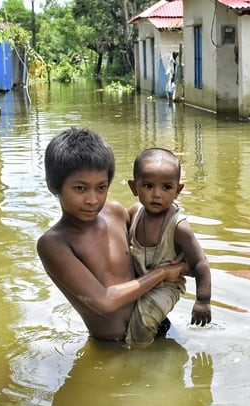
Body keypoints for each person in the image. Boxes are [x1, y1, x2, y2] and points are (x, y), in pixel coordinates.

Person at [36, 128, 186, 341]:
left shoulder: (116, 212)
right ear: (53, 186)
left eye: (101, 187)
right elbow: (104, 303)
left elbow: (152, 240)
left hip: (158, 324)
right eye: (80, 188)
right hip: (116, 346)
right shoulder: (54, 244)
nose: (92, 200)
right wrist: (162, 273)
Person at [126, 147, 211, 345]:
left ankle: (139, 354)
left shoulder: (179, 226)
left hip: (167, 285)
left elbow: (200, 262)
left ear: (178, 190)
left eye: (166, 187)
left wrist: (203, 300)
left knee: (145, 317)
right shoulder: (134, 213)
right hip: (141, 279)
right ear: (134, 187)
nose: (157, 195)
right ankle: (161, 333)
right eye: (148, 186)